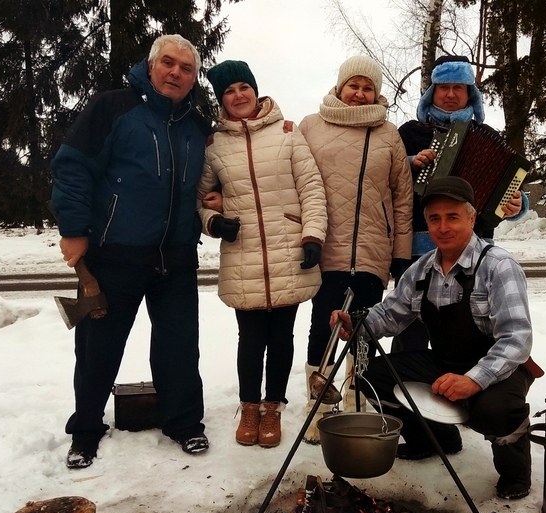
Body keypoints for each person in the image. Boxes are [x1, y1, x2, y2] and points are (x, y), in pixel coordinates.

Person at [50, 34, 211, 469]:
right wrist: (74, 229)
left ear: (193, 78)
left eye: (187, 68)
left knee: (180, 348)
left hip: (176, 257)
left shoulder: (198, 127)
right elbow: (73, 167)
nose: (176, 73)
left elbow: (212, 178)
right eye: (168, 63)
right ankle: (85, 430)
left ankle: (185, 423)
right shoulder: (113, 107)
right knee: (98, 349)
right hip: (113, 255)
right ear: (151, 65)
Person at [330, 176, 541, 500]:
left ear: (472, 218)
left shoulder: (498, 266)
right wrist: (357, 323)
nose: (443, 227)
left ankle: (515, 473)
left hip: (502, 368)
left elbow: (517, 338)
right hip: (445, 361)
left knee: (495, 410)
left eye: (452, 217)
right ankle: (435, 439)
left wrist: (474, 380)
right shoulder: (421, 271)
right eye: (434, 218)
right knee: (375, 375)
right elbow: (390, 316)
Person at [198, 60, 327, 448]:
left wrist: (312, 236)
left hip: (288, 251)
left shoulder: (288, 133)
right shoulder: (215, 145)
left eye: (244, 87)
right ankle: (250, 407)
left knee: (282, 336)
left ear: (255, 90)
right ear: (222, 100)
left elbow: (312, 189)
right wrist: (213, 221)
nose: (238, 95)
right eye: (229, 91)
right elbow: (199, 199)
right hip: (244, 255)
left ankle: (273, 407)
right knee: (250, 338)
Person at [298, 55, 413, 443]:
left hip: (372, 249)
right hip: (325, 245)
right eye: (354, 85)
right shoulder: (311, 126)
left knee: (363, 330)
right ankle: (318, 406)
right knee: (322, 325)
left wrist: (401, 253)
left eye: (368, 88)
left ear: (376, 93)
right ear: (340, 86)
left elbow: (402, 197)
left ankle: (356, 398)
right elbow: (294, 179)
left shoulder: (389, 134)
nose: (360, 94)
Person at [393, 55, 527, 353]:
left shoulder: (487, 135)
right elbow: (386, 179)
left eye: (459, 87)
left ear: (470, 94)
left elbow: (506, 185)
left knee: (471, 331)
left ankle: (468, 379)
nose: (451, 94)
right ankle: (405, 379)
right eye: (444, 87)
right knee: (411, 332)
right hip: (418, 248)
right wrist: (410, 164)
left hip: (474, 252)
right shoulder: (410, 133)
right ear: (432, 92)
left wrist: (517, 202)